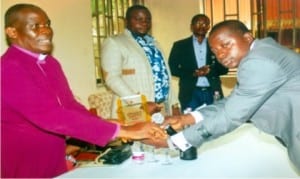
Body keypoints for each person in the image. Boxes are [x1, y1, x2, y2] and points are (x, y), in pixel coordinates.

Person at [1, 3, 166, 178]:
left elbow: (70, 106)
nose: (46, 31)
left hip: (54, 157)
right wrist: (123, 131)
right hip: (24, 159)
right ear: (12, 32)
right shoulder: (9, 67)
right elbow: (51, 116)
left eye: (47, 24)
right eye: (36, 26)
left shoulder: (50, 64)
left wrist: (120, 124)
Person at [146, 20, 300, 171]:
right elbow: (232, 102)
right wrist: (186, 119)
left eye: (225, 45)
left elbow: (231, 116)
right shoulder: (261, 53)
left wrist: (176, 141)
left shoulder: (259, 61)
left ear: (247, 38)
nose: (220, 54)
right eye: (215, 51)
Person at [101, 5, 176, 118]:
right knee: (140, 136)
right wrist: (141, 104)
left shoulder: (154, 44)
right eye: (138, 19)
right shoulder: (115, 42)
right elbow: (112, 78)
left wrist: (174, 104)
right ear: (127, 21)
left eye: (147, 20)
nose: (144, 22)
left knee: (166, 136)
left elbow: (165, 75)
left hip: (161, 107)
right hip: (135, 109)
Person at [168, 14, 228, 111]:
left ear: (208, 27)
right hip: (190, 93)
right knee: (190, 123)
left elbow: (224, 69)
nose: (202, 26)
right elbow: (172, 69)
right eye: (198, 23)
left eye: (205, 24)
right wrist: (194, 73)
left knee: (214, 122)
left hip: (212, 91)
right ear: (191, 26)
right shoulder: (180, 46)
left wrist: (210, 71)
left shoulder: (216, 45)